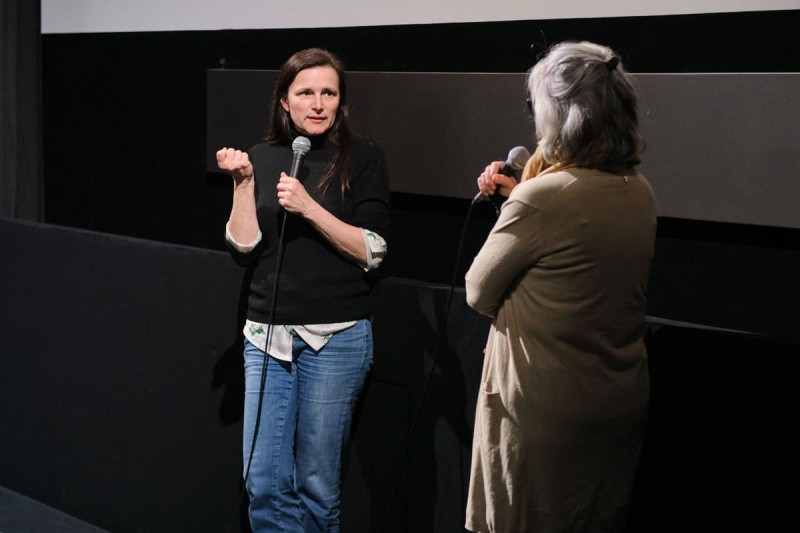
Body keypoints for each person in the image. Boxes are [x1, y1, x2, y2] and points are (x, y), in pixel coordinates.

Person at [464, 41, 657, 533]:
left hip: (543, 413)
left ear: (561, 116)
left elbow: (478, 290)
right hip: (612, 404)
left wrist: (524, 195)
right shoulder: (639, 190)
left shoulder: (544, 197)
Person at [216, 48, 390, 532]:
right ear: (284, 101)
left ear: (340, 102)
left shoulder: (365, 157)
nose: (318, 103)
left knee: (317, 486)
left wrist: (310, 208)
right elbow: (244, 249)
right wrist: (243, 184)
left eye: (328, 93)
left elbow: (373, 250)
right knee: (264, 481)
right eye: (306, 93)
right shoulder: (264, 156)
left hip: (337, 339)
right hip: (266, 340)